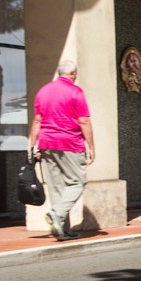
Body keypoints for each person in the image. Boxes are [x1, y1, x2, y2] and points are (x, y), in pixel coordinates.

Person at [28, 60, 95, 241]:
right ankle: (57, 214)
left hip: (47, 144)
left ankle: (61, 230)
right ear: (72, 74)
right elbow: (84, 121)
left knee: (56, 187)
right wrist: (91, 146)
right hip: (70, 143)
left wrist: (33, 146)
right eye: (76, 74)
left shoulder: (43, 91)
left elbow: (37, 121)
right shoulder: (75, 92)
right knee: (77, 182)